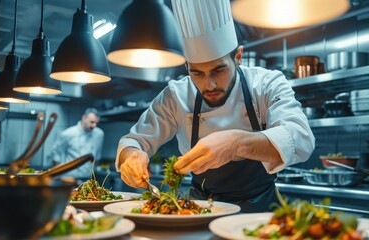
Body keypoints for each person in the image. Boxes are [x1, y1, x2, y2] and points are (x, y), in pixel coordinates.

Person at [115, 0, 315, 213]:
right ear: (187, 67)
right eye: (197, 73)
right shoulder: (176, 95)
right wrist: (132, 157)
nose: (208, 85)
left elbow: (300, 137)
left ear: (238, 57)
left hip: (260, 210)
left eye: (218, 70)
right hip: (199, 210)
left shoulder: (266, 84)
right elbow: (132, 141)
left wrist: (236, 144)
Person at [48, 108, 104, 181]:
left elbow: (97, 156)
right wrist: (58, 172)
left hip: (87, 178)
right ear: (84, 118)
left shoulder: (99, 134)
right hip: (69, 177)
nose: (94, 125)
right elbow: (56, 151)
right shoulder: (68, 133)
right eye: (92, 122)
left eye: (96, 123)